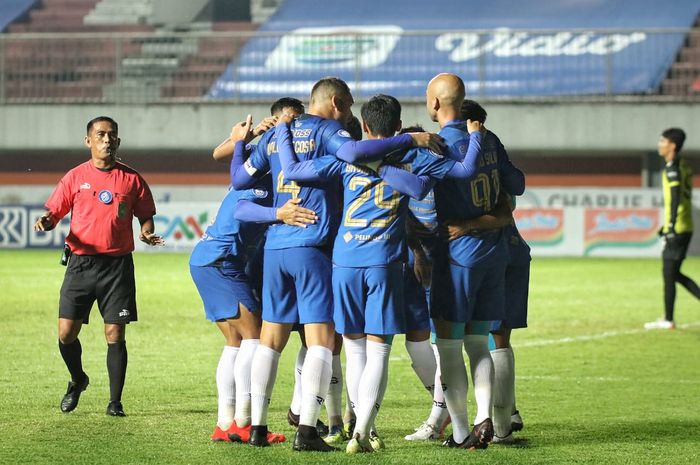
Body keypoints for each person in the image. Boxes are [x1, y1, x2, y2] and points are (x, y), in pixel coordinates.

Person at [229, 77, 442, 452]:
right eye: (346, 106)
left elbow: (237, 180)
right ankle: (312, 429)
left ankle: (258, 427)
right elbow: (360, 155)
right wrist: (412, 139)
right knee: (325, 344)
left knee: (270, 340)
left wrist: (242, 150)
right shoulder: (331, 134)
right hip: (316, 247)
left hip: (276, 246)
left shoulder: (277, 134)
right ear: (337, 102)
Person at [192, 98, 312, 444]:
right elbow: (244, 209)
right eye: (287, 121)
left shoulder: (257, 162)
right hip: (222, 260)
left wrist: (242, 141)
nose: (292, 129)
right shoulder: (262, 170)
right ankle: (243, 423)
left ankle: (224, 422)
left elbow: (223, 156)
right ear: (275, 122)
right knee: (256, 338)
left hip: (208, 258)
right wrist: (279, 214)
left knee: (235, 342)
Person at [34, 116, 163, 417]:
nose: (107, 140)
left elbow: (145, 215)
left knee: (115, 333)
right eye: (101, 134)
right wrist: (47, 221)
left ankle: (114, 402)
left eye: (112, 135)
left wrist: (146, 231)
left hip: (117, 267)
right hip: (80, 264)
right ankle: (78, 379)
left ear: (118, 141)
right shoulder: (75, 177)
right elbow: (55, 210)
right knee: (66, 333)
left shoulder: (132, 179)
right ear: (88, 141)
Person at [426, 74, 525, 450]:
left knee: (449, 346)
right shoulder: (488, 138)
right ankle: (487, 417)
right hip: (494, 254)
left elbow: (419, 194)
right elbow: (516, 185)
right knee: (479, 344)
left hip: (456, 259)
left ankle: (462, 431)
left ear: (435, 103)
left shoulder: (437, 145)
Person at [645, 128, 700, 330]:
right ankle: (668, 318)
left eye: (663, 141)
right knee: (673, 273)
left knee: (670, 273)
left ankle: (668, 320)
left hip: (677, 228)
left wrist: (669, 226)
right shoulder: (684, 166)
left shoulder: (672, 168)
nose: (659, 144)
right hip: (684, 226)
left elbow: (676, 196)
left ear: (672, 146)